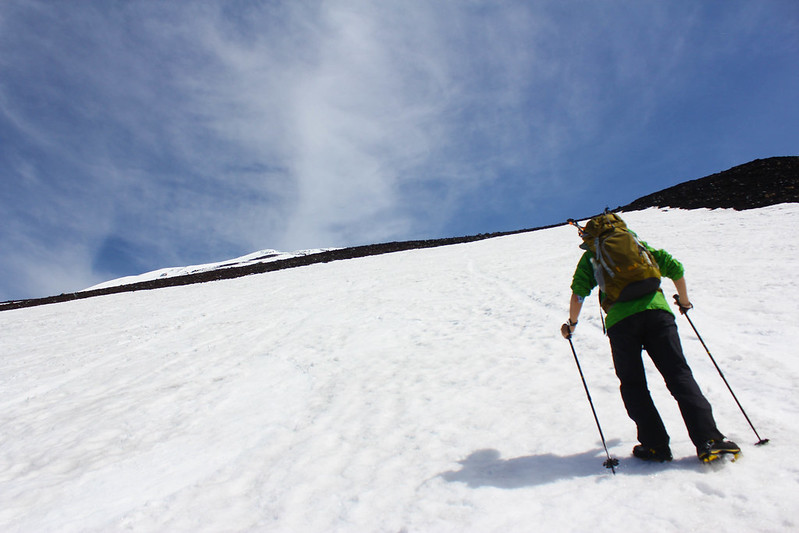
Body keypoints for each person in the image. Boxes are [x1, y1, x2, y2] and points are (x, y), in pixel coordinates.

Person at [561, 213, 739, 463]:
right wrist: (684, 302)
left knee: (633, 384)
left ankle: (655, 445)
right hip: (658, 314)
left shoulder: (592, 255)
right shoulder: (638, 245)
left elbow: (578, 293)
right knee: (679, 375)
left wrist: (572, 324)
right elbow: (675, 268)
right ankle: (710, 440)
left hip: (621, 323)